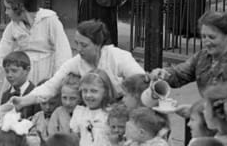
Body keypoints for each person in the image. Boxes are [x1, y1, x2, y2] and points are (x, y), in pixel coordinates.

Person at [16, 20, 144, 110]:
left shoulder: (118, 57)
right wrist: (22, 101)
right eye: (76, 43)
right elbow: (51, 86)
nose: (78, 49)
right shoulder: (77, 62)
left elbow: (141, 80)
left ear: (98, 45)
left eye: (84, 45)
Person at [150, 11, 227, 115]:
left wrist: (197, 110)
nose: (206, 42)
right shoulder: (203, 56)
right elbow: (180, 74)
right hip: (207, 118)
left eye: (212, 37)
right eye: (203, 37)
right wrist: (164, 74)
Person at [0, 0, 71, 88]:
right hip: (21, 75)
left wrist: (57, 80)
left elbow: (63, 52)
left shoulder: (49, 20)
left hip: (45, 75)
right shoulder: (13, 26)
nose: (6, 12)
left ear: (20, 7)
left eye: (8, 8)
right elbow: (0, 54)